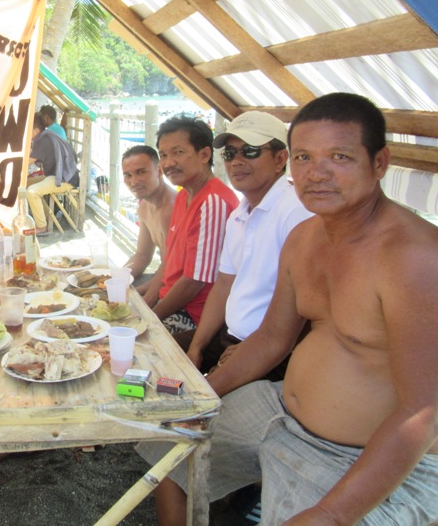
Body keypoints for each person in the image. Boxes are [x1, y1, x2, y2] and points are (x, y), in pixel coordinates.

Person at [149, 93, 438, 525]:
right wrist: (203, 395)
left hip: (363, 456)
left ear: (379, 163)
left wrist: (331, 513)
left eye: (339, 156)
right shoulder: (305, 238)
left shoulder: (416, 258)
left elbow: (423, 411)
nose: (316, 173)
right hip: (278, 409)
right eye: (304, 157)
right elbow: (271, 337)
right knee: (169, 451)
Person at [177, 111, 312, 377]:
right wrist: (196, 348)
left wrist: (253, 349)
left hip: (273, 351)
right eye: (230, 154)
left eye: (250, 151)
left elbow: (308, 306)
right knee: (152, 356)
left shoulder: (296, 212)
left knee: (192, 398)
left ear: (280, 159)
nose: (237, 161)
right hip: (229, 335)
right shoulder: (239, 214)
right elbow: (224, 284)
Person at [151, 115, 238, 333]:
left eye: (178, 152)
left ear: (204, 155)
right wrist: (144, 306)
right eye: (163, 155)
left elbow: (194, 282)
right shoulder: (184, 195)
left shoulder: (212, 202)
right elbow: (169, 261)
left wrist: (150, 319)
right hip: (170, 301)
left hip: (192, 314)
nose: (168, 163)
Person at [120, 145, 177, 306]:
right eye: (128, 175)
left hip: (176, 287)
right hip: (162, 277)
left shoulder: (173, 208)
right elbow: (142, 255)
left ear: (159, 171)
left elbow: (172, 270)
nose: (133, 181)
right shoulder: (144, 206)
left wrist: (137, 296)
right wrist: (115, 280)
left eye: (141, 172)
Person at [26, 113, 80, 235]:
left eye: (27, 129)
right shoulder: (45, 136)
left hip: (65, 179)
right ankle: (46, 216)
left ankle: (42, 226)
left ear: (35, 131)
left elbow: (26, 163)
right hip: (58, 175)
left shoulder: (43, 141)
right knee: (26, 184)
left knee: (32, 191)